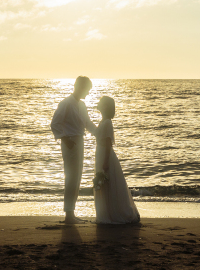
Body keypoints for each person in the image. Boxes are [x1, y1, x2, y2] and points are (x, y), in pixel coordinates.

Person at [50, 76, 98, 224]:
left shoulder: (82, 105)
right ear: (79, 87)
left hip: (79, 141)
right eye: (87, 90)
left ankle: (71, 212)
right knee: (71, 177)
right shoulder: (65, 103)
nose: (88, 93)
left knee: (77, 177)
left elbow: (87, 124)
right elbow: (54, 124)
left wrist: (100, 134)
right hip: (69, 142)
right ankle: (69, 214)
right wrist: (65, 140)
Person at [93, 95, 140, 224]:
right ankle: (105, 212)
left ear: (106, 106)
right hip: (100, 153)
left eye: (101, 102)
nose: (99, 104)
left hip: (105, 155)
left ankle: (113, 213)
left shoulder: (107, 122)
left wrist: (106, 161)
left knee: (108, 183)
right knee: (103, 184)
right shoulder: (103, 121)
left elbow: (108, 143)